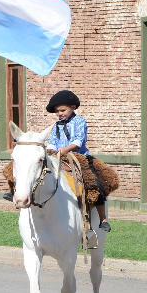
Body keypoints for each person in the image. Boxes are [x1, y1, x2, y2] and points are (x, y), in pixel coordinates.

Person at [44, 90, 111, 231]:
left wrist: (66, 149)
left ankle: (103, 219)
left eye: (63, 110)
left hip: (79, 157)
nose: (59, 113)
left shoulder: (79, 120)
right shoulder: (56, 125)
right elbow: (52, 141)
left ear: (73, 107)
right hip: (58, 157)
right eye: (57, 111)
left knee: (95, 184)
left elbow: (79, 140)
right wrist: (50, 150)